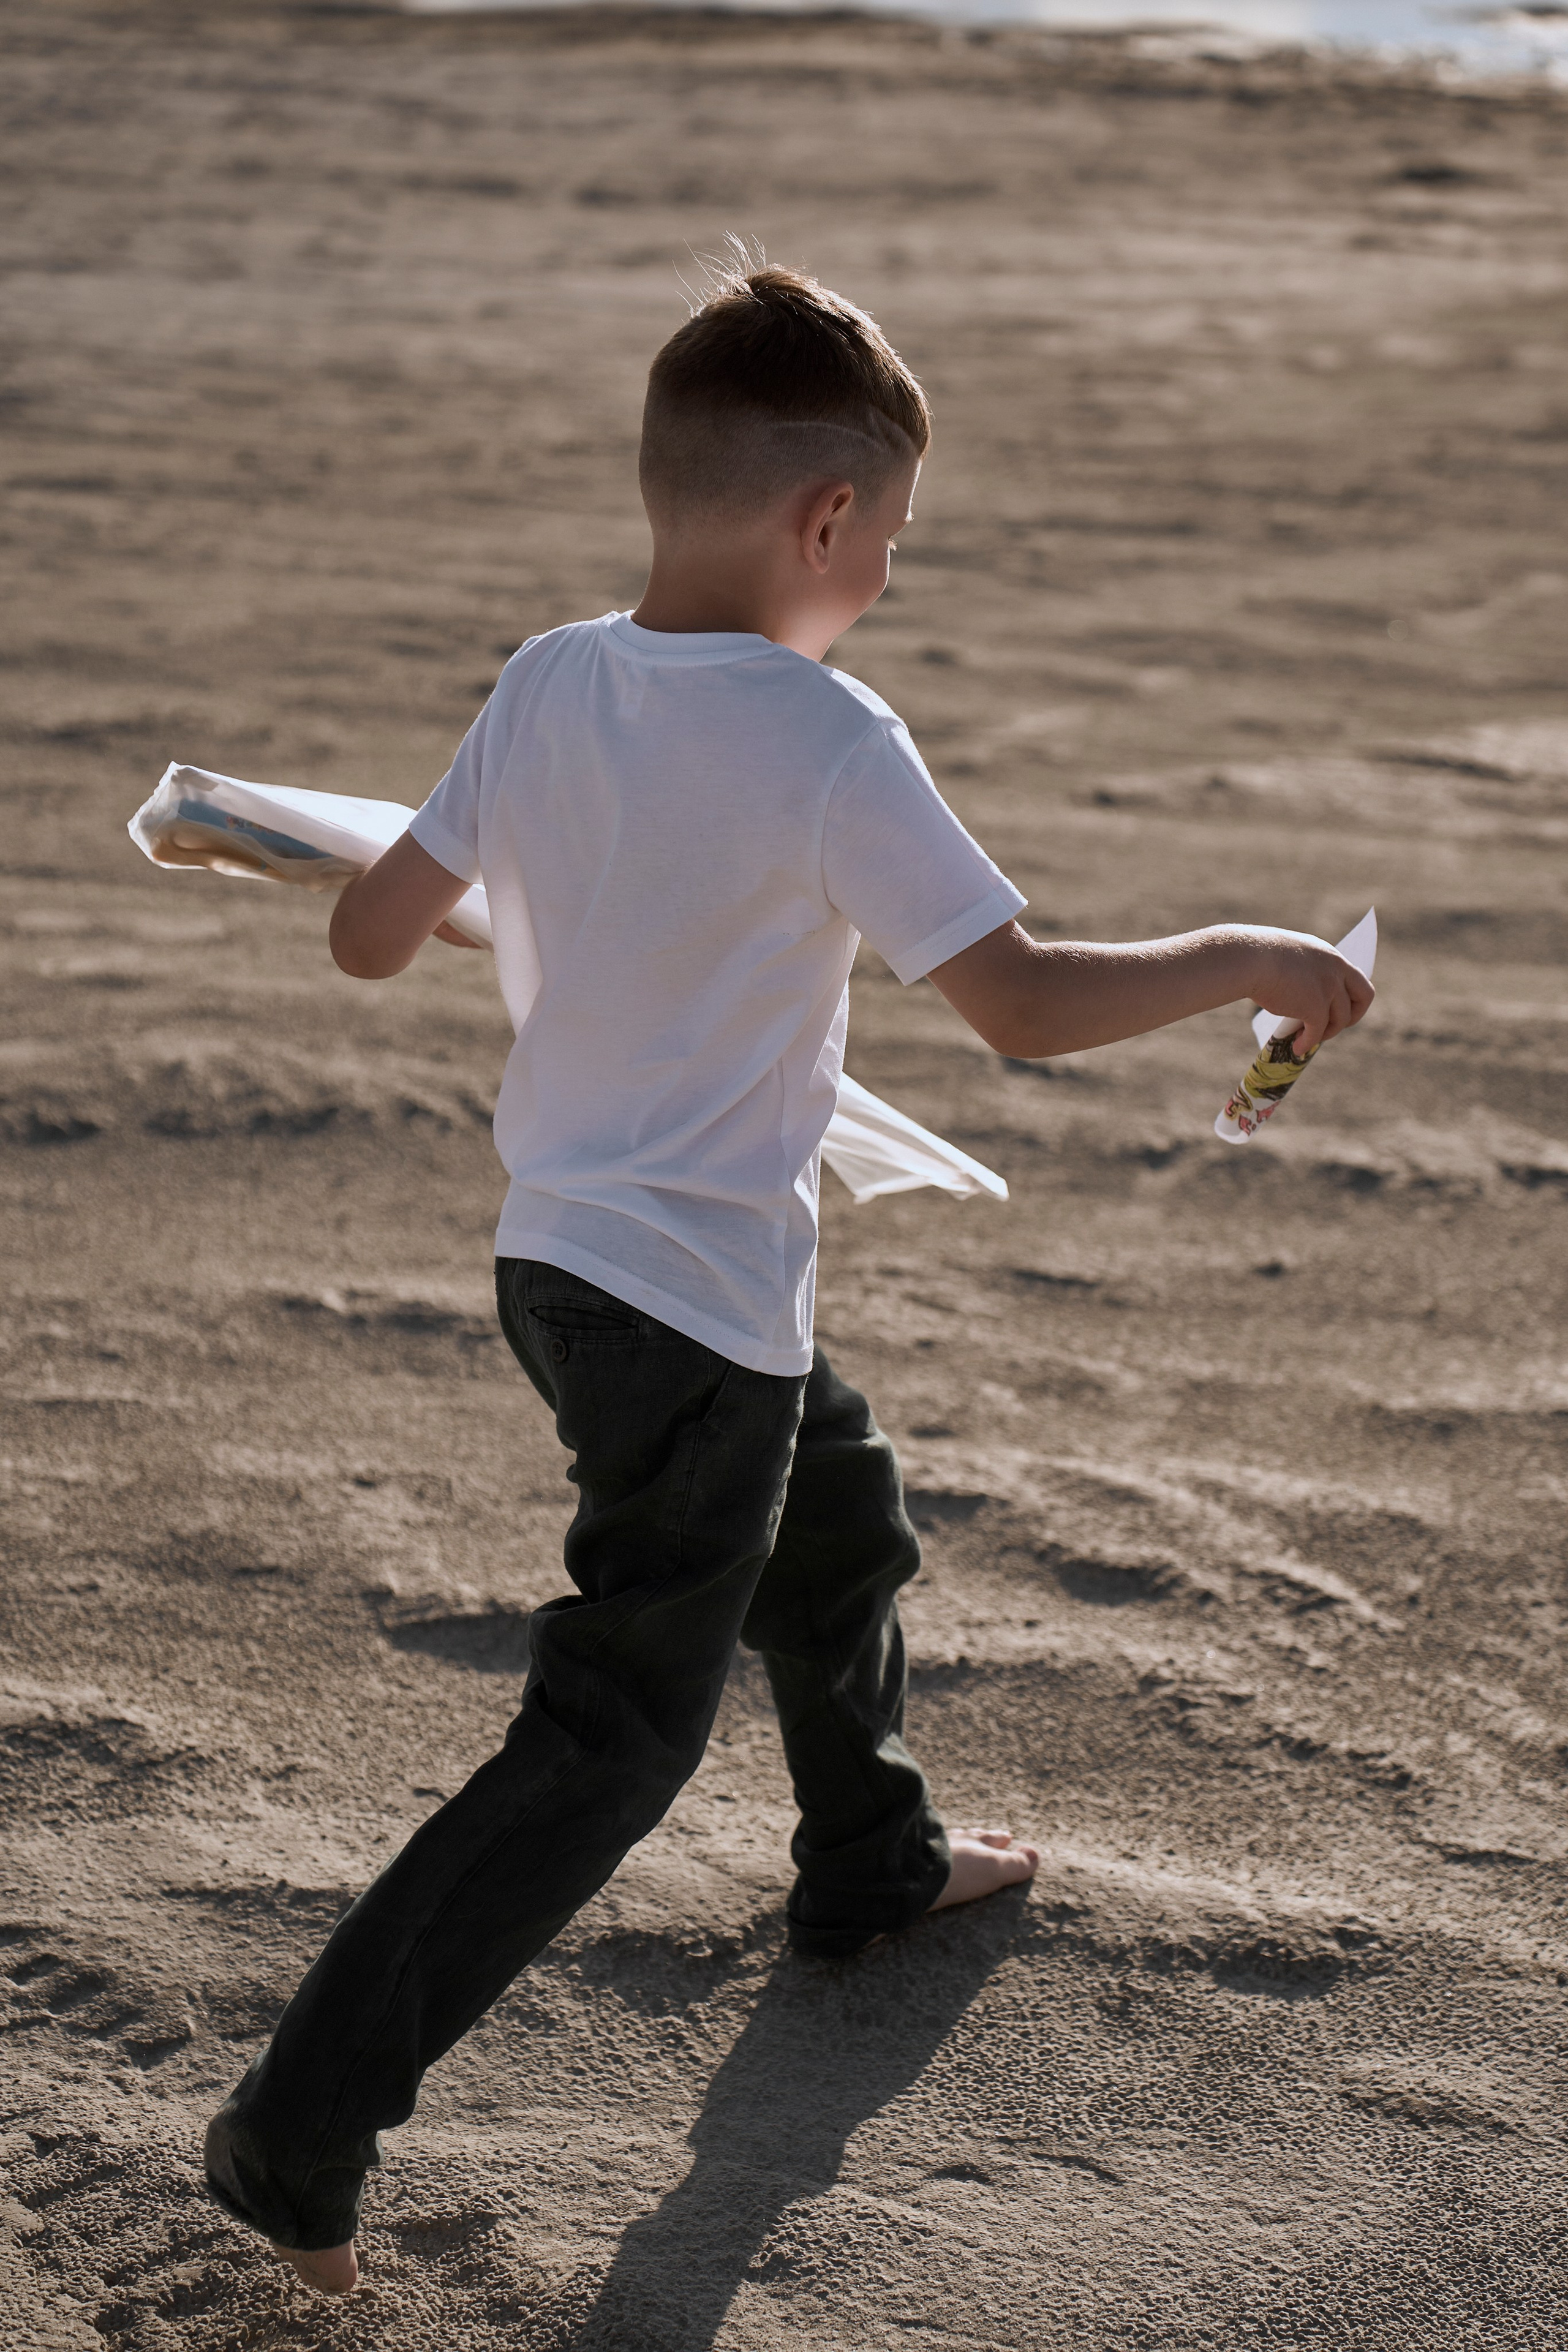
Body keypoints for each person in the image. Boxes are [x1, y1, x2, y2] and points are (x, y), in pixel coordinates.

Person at [203, 254, 1373, 2296]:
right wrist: (1253, 960)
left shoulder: (548, 678)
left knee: (838, 1513)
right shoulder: (834, 735)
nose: (889, 580)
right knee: (613, 1734)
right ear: (827, 521)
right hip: (687, 1302)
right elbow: (1011, 1005)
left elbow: (372, 939)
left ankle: (872, 1859)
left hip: (565, 1265)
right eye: (893, 541)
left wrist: (493, 889)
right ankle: (297, 2131)